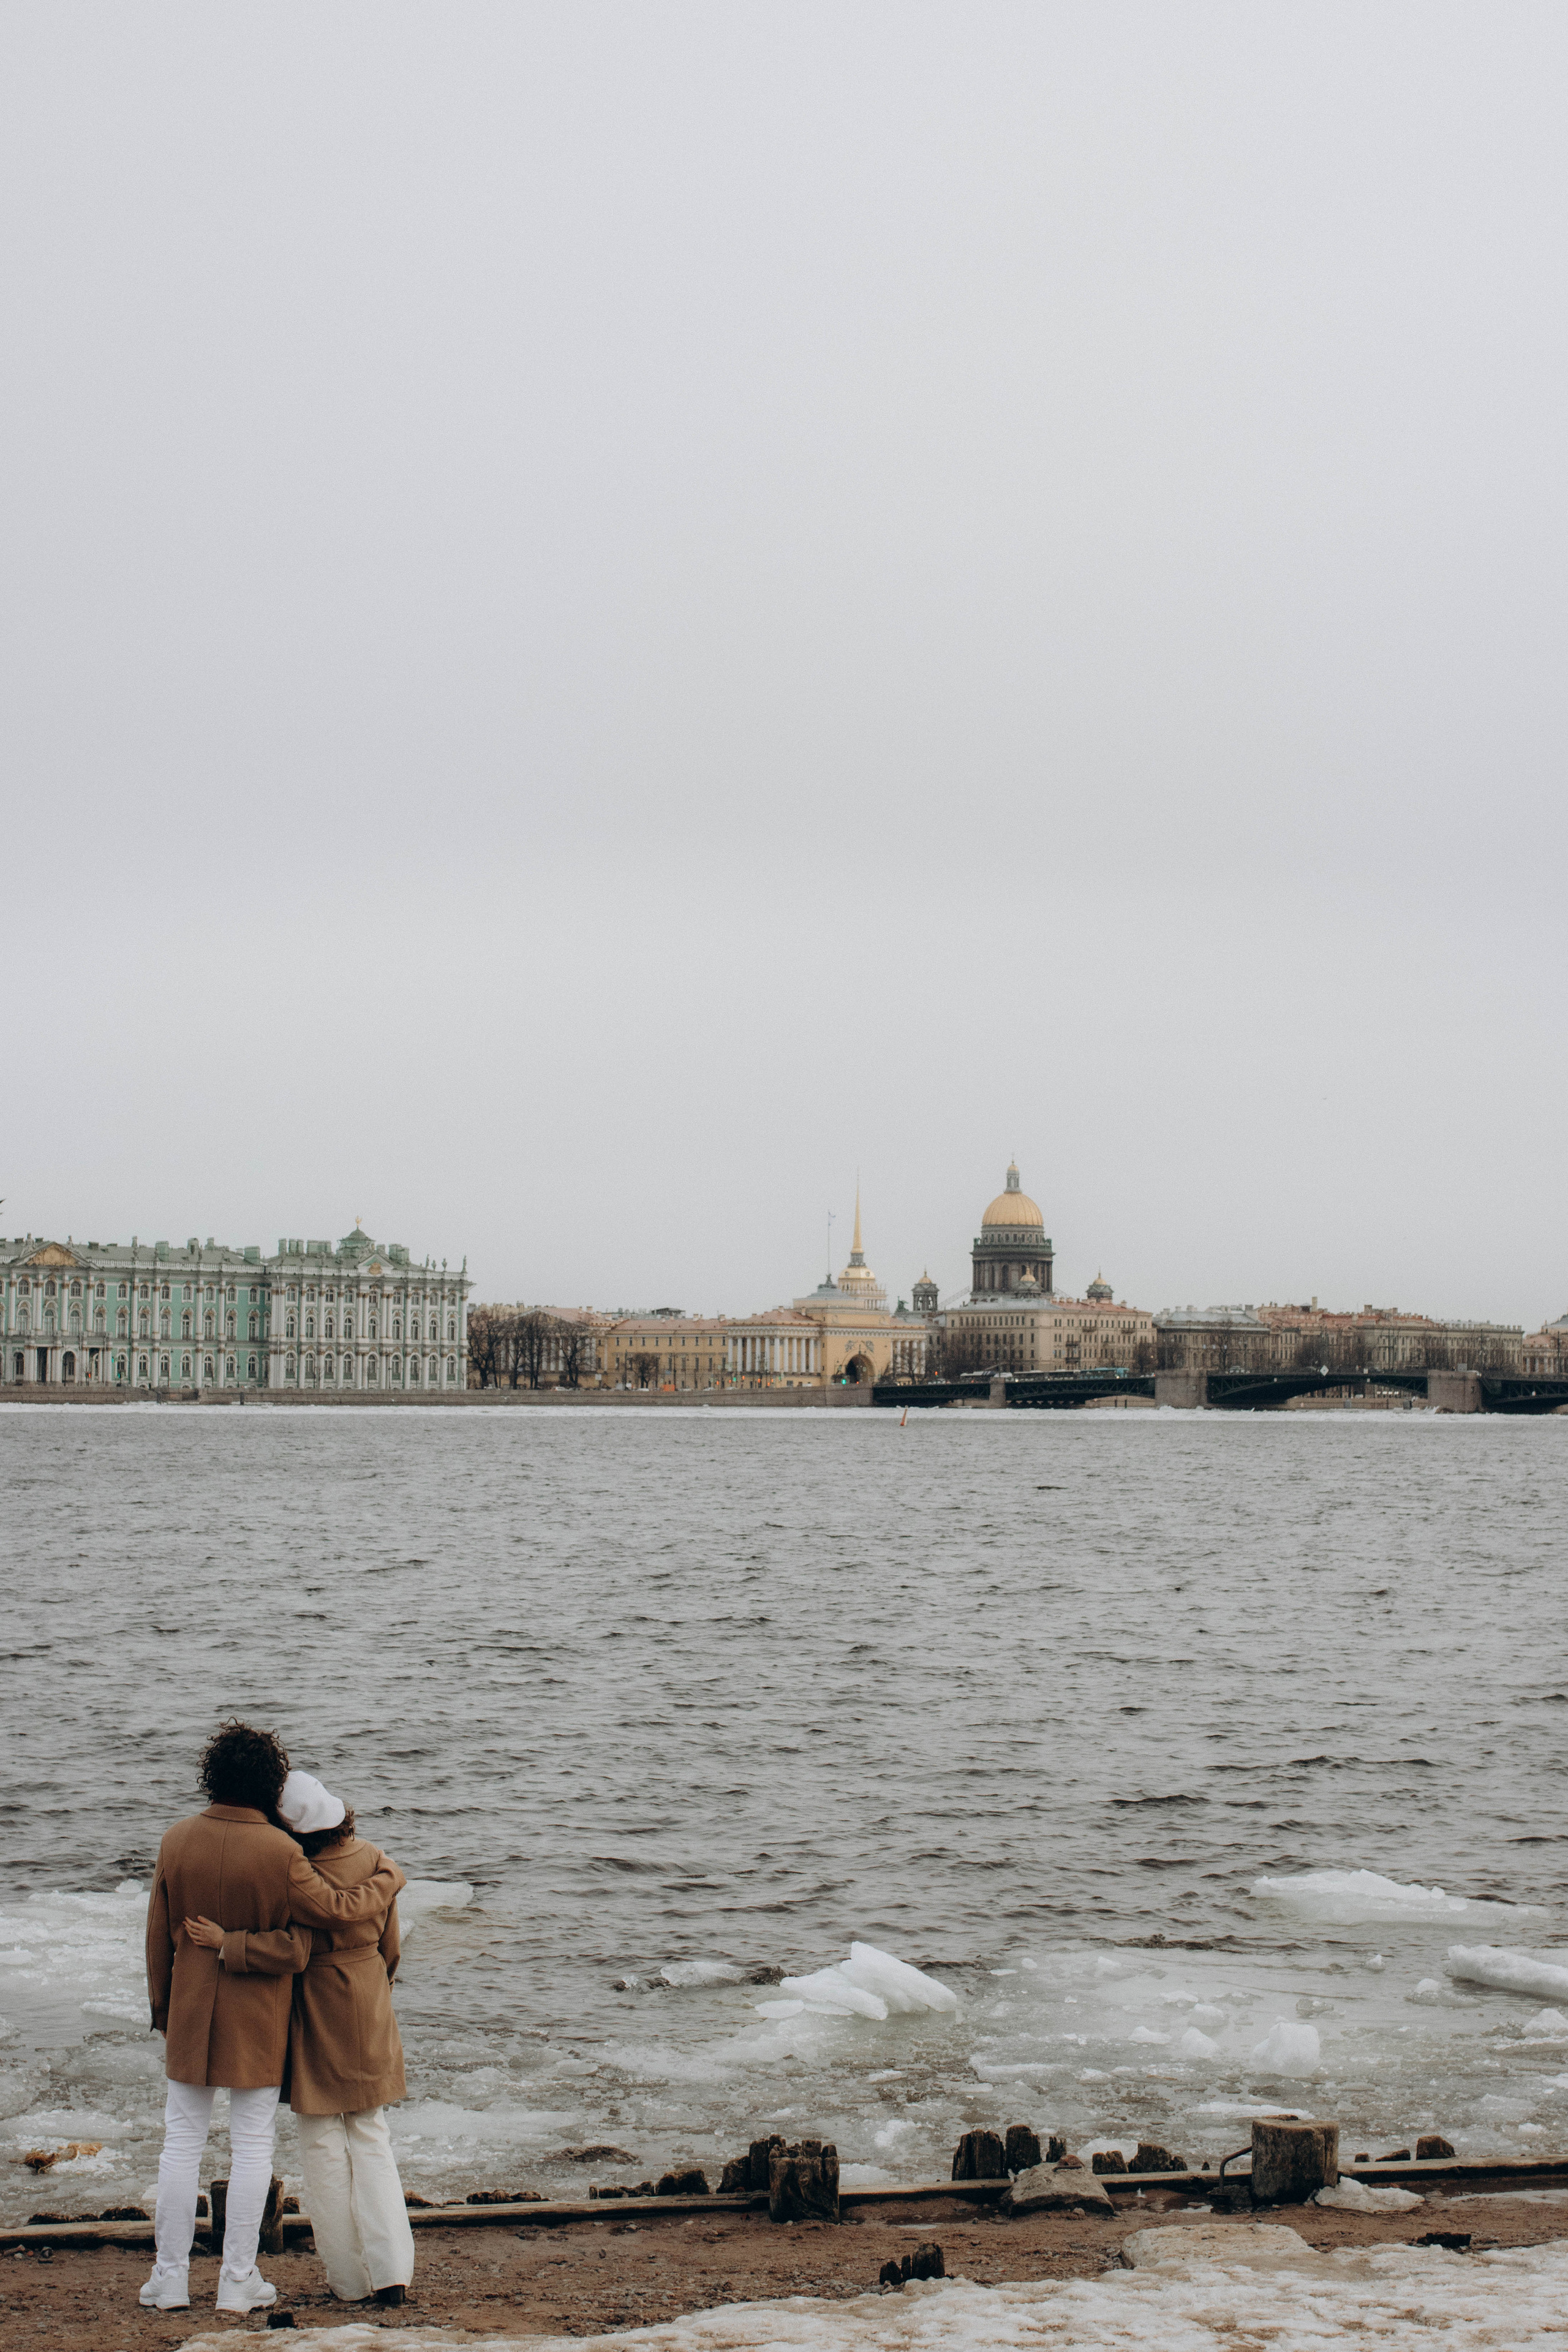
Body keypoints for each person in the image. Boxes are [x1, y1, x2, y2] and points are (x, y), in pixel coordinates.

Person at [141, 1721, 407, 2316]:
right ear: (269, 1783)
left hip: (190, 2011)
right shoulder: (284, 1853)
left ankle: (170, 2280)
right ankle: (238, 2281)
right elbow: (307, 1942)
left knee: (180, 2145)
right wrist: (387, 1876)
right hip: (260, 2018)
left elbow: (157, 1938)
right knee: (252, 2145)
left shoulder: (175, 1840)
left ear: (212, 1775)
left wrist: (163, 2007)